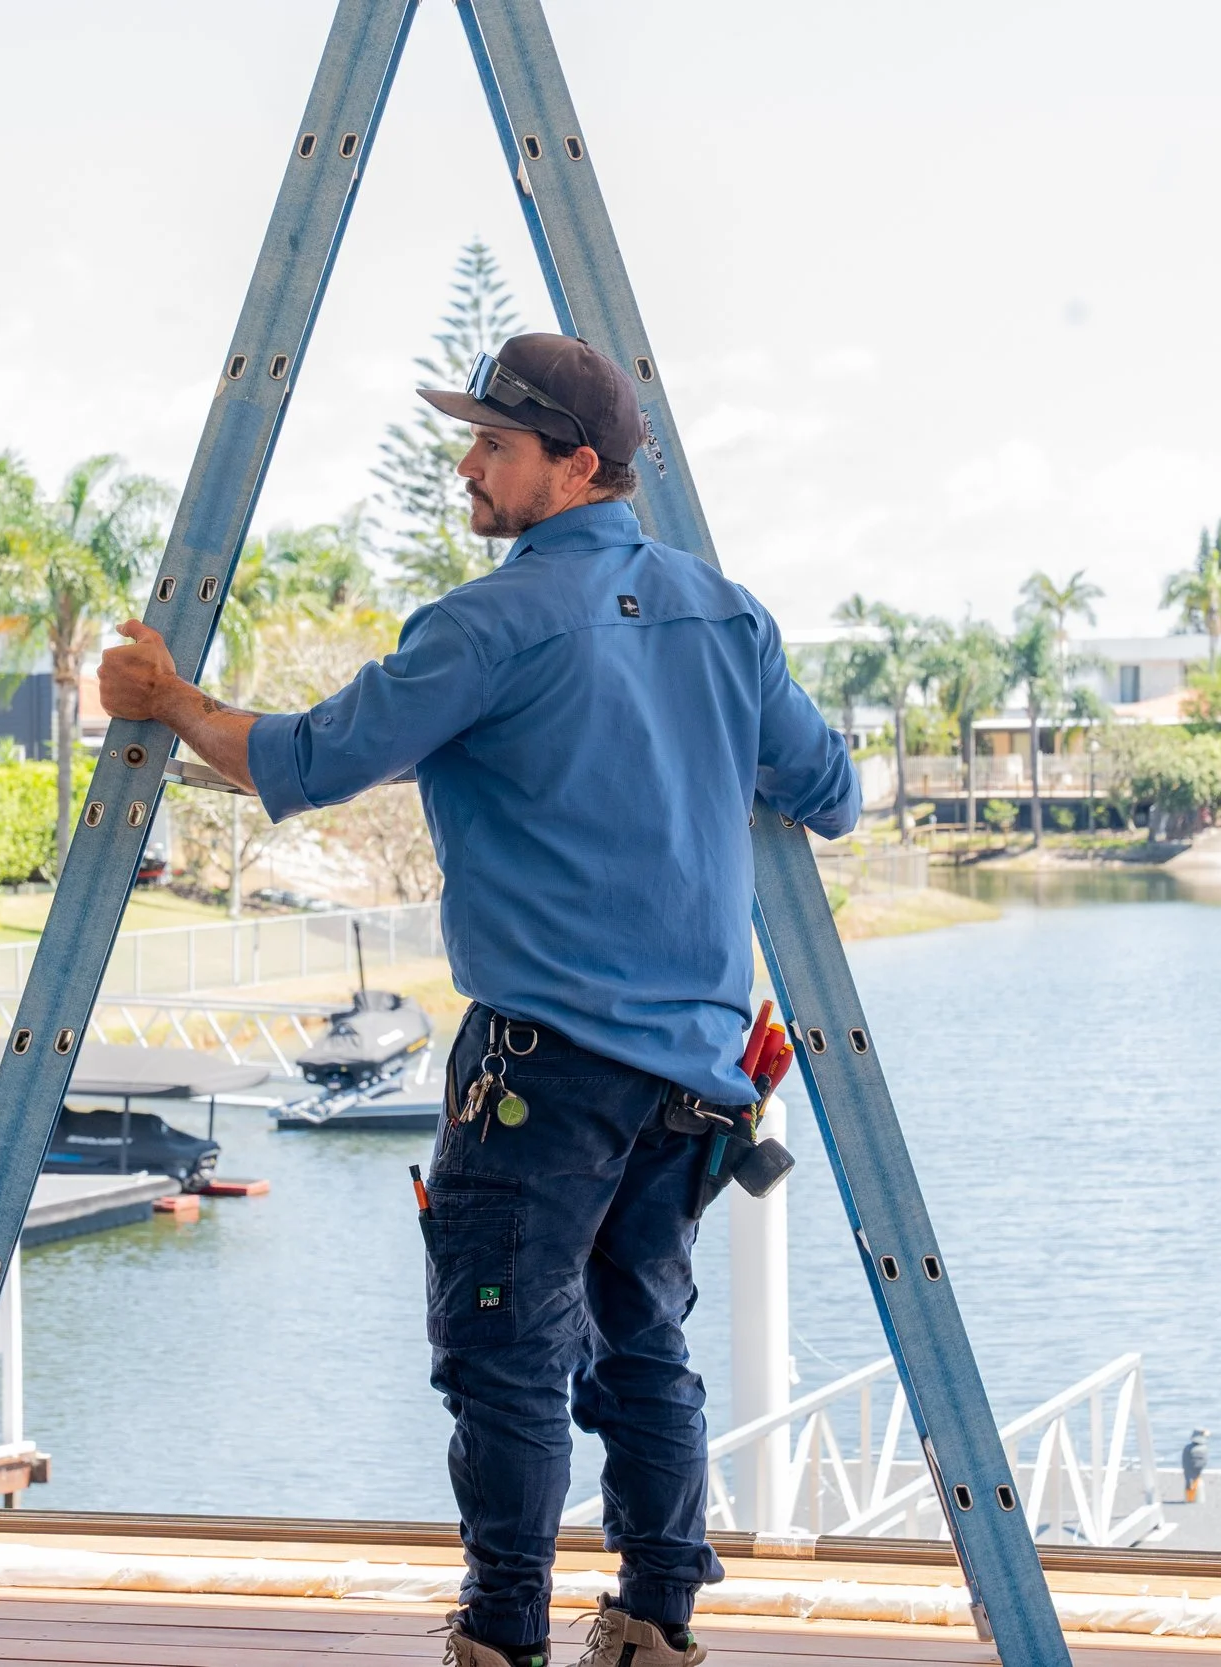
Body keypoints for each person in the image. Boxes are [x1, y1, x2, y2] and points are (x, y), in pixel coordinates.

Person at [99, 333, 859, 1667]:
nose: (467, 466)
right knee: (642, 1345)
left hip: (545, 1070)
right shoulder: (729, 620)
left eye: (495, 445)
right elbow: (833, 793)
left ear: (576, 464)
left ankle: (502, 1637)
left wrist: (165, 699)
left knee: (505, 1356)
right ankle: (656, 1621)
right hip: (695, 1079)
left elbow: (305, 759)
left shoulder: (489, 627)